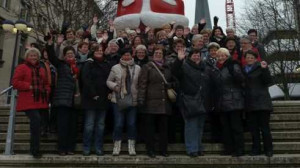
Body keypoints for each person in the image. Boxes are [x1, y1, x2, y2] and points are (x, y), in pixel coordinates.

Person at [171, 48, 218, 157]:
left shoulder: (205, 67)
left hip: (203, 100)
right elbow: (175, 72)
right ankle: (192, 149)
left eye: (198, 55)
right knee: (191, 125)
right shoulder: (184, 66)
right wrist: (178, 60)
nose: (196, 57)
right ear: (190, 56)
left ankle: (198, 147)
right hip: (189, 100)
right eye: (194, 55)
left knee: (200, 126)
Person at [12, 48, 50, 158]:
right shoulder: (21, 67)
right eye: (31, 55)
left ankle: (35, 147)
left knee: (40, 125)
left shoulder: (41, 69)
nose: (33, 57)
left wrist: (47, 91)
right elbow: (15, 82)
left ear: (38, 57)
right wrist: (29, 86)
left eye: (35, 56)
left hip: (40, 100)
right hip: (28, 101)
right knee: (36, 122)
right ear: (27, 57)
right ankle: (34, 150)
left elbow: (46, 83)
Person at [138, 45, 174, 158]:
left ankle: (163, 150)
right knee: (150, 129)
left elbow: (174, 81)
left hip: (164, 102)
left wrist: (171, 85)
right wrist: (141, 99)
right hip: (151, 102)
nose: (158, 55)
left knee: (164, 129)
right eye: (156, 53)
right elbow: (142, 84)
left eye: (160, 53)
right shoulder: (147, 67)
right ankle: (150, 150)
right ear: (152, 55)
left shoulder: (168, 67)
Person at [46, 37, 79, 156]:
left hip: (75, 101)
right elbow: (52, 57)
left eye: (72, 54)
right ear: (64, 56)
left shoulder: (78, 66)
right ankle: (61, 148)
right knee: (63, 126)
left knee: (72, 127)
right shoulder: (61, 65)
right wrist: (51, 44)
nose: (70, 55)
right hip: (62, 100)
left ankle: (70, 148)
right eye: (68, 54)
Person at [106, 48, 141, 156]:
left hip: (133, 100)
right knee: (118, 124)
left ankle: (131, 145)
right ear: (121, 56)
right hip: (118, 100)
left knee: (131, 124)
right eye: (124, 55)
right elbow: (108, 81)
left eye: (128, 55)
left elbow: (141, 83)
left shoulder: (138, 68)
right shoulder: (115, 67)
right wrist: (115, 86)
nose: (126, 57)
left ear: (132, 56)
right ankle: (117, 145)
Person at [81, 45, 112, 156]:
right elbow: (86, 79)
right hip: (90, 99)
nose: (99, 52)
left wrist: (110, 92)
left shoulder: (107, 64)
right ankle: (87, 147)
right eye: (97, 50)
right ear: (93, 52)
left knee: (100, 125)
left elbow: (110, 79)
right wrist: (93, 94)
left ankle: (98, 147)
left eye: (101, 50)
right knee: (89, 125)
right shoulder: (88, 63)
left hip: (103, 98)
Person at [243, 50, 273, 157]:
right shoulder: (243, 70)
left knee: (265, 128)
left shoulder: (261, 67)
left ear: (256, 59)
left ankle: (268, 149)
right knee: (253, 129)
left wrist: (265, 69)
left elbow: (268, 81)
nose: (249, 59)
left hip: (262, 103)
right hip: (250, 103)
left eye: (252, 57)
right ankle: (256, 149)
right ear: (245, 59)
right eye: (248, 57)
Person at [216, 48, 245, 157]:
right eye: (219, 56)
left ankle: (239, 149)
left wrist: (234, 72)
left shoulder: (233, 65)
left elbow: (241, 79)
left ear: (227, 56)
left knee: (236, 127)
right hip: (222, 101)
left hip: (234, 100)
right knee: (226, 128)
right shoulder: (217, 68)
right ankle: (229, 149)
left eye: (223, 55)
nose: (221, 58)